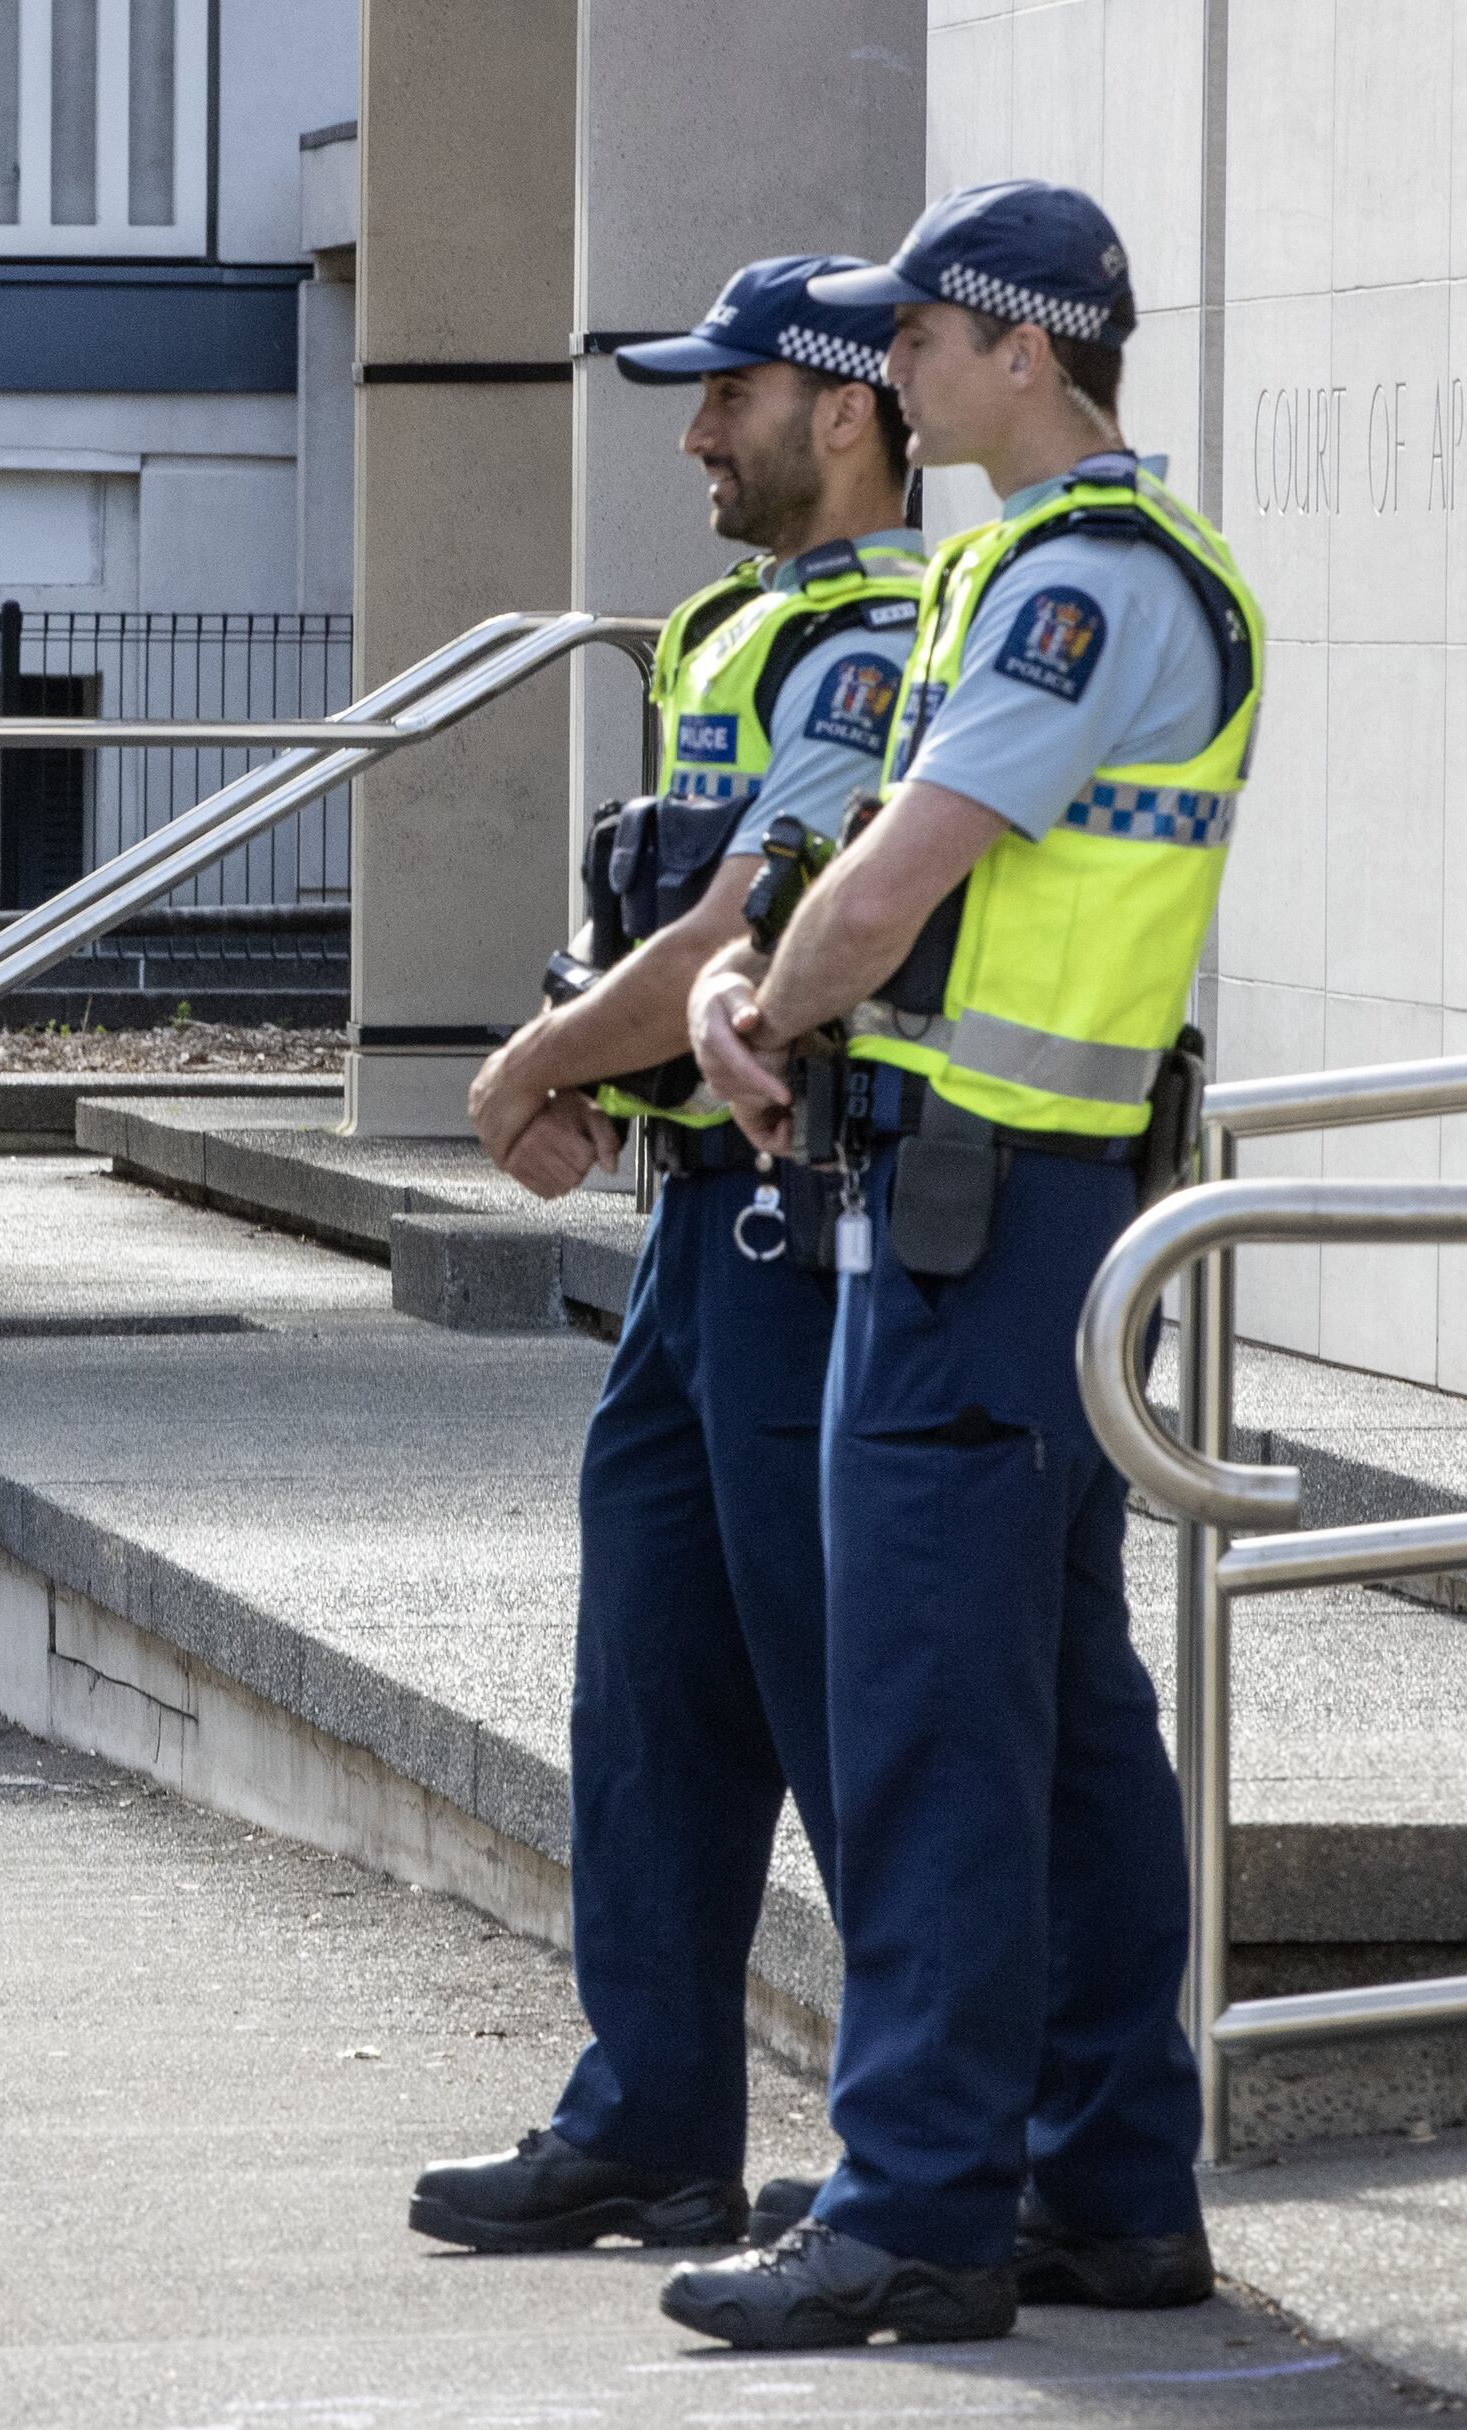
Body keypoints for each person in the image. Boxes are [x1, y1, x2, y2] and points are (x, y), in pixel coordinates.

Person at [661, 180, 1262, 2350]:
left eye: (917, 336)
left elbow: (903, 871)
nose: (886, 371)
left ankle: (922, 2200)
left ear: (1022, 349)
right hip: (1015, 1212)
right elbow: (847, 856)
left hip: (982, 1214)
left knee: (929, 1717)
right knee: (1067, 1717)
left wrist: (774, 1002)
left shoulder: (1084, 586)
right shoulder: (1027, 573)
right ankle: (1107, 2178)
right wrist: (749, 978)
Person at [411, 259, 923, 2254]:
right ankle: (647, 2122)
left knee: (843, 1695)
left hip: (817, 1239)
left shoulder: (872, 634)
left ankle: (915, 2136)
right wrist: (611, 1063)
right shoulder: (739, 624)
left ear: (852, 413)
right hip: (701, 1225)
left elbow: (746, 906)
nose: (697, 435)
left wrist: (532, 1061)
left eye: (731, 399)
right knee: (650, 1696)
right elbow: (681, 922)